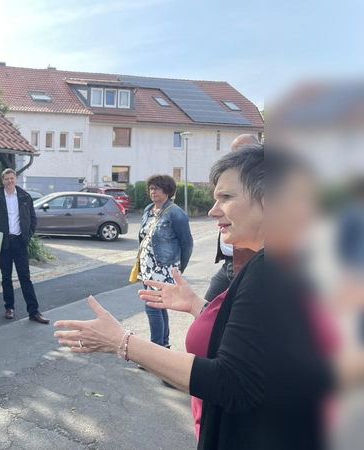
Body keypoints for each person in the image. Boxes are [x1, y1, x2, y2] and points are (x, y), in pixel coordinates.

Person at [53, 146, 276, 449]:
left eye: (226, 197)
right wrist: (198, 306)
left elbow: (232, 382)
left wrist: (122, 342)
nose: (213, 210)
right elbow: (254, 342)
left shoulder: (268, 270)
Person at [0, 168, 49, 324]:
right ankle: (9, 308)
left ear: (15, 179)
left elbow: (33, 219)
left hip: (20, 242)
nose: (9, 181)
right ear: (3, 180)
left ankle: (34, 311)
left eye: (12, 178)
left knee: (25, 277)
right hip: (4, 243)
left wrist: (27, 236)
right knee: (6, 278)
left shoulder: (25, 197)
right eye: (6, 179)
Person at [137, 174, 193, 353]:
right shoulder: (148, 210)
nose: (153, 191)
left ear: (167, 191)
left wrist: (177, 269)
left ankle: (156, 350)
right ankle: (164, 344)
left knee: (152, 306)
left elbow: (187, 244)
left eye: (157, 188)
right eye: (151, 188)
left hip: (164, 268)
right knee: (159, 306)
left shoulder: (176, 213)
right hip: (148, 267)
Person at [204, 134, 259, 301]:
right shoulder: (231, 177)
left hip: (248, 263)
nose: (213, 212)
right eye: (233, 150)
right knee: (209, 311)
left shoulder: (257, 182)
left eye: (227, 197)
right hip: (230, 263)